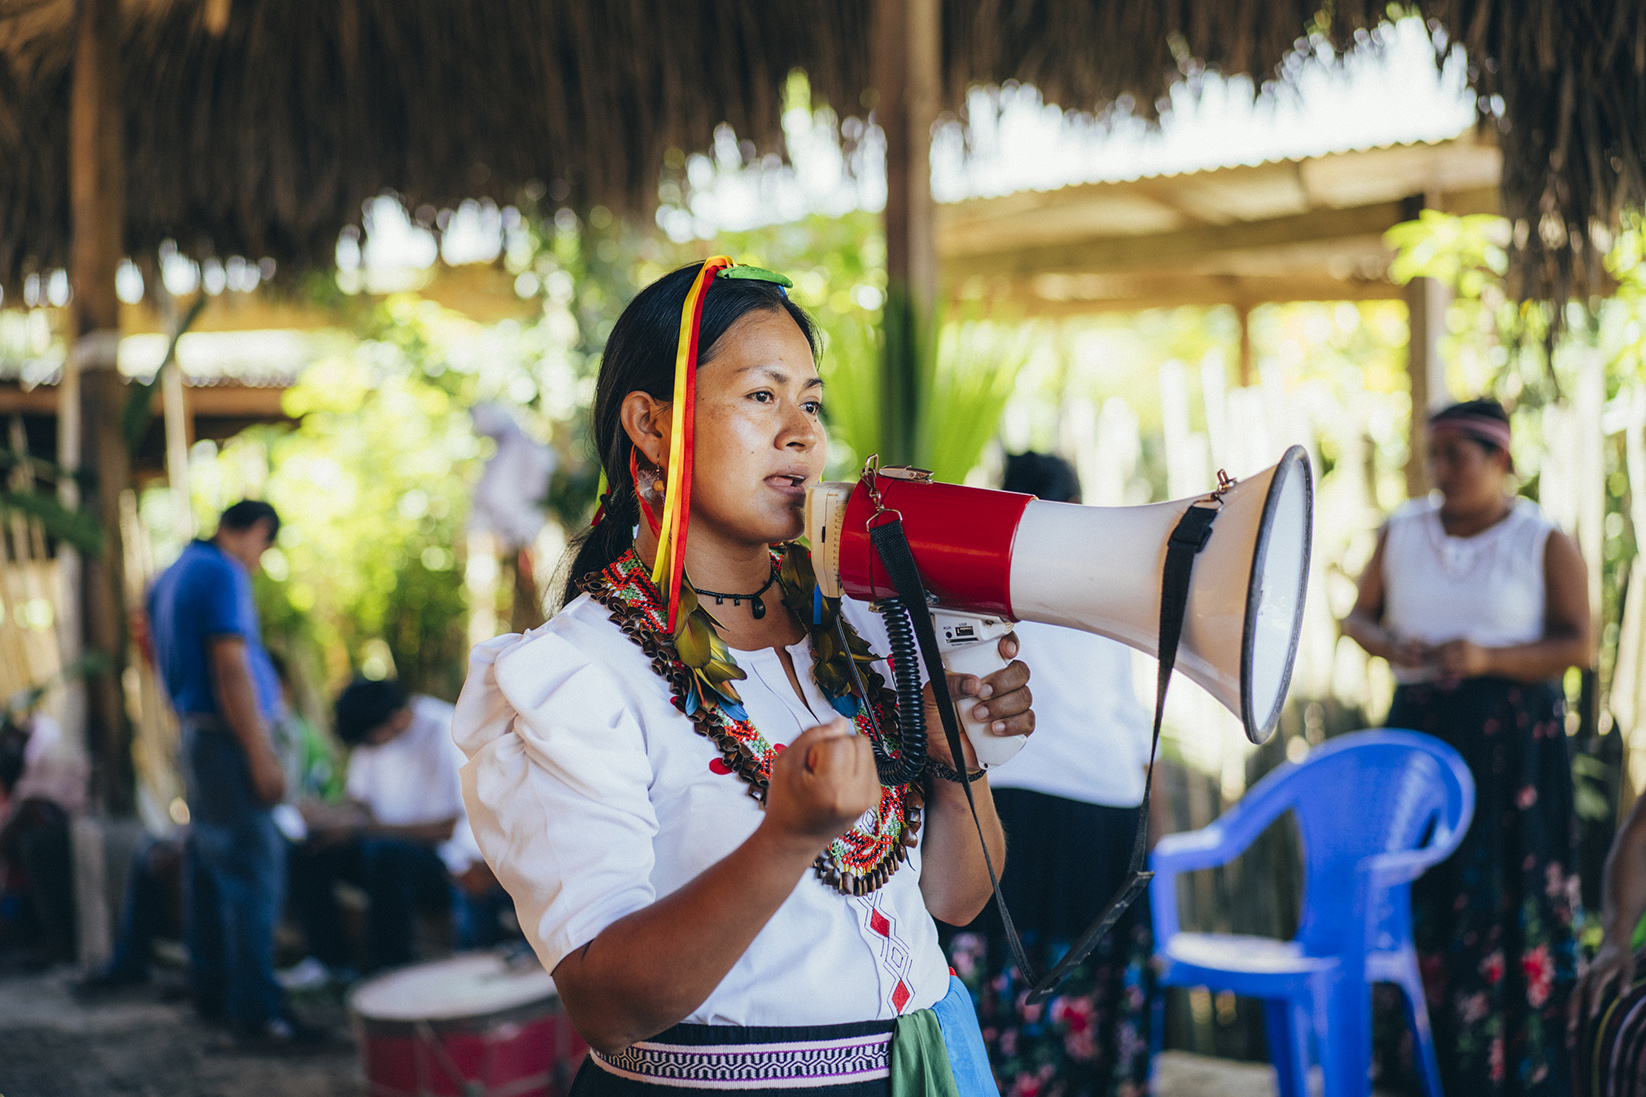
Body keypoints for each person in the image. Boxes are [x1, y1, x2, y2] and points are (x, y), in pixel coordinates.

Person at [453, 258, 1035, 1095]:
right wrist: (786, 838)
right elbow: (604, 1002)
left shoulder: (859, 628)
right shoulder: (574, 673)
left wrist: (955, 758)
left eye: (811, 401)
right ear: (652, 425)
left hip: (930, 1068)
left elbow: (954, 900)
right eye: (763, 396)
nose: (801, 432)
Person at [1343, 399, 1589, 1095]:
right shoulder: (1402, 530)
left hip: (1514, 758)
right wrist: (1391, 642)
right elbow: (1357, 617)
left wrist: (1486, 658)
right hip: (1418, 744)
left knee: (1506, 901)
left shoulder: (1541, 537)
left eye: (1458, 454)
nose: (1442, 469)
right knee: (1422, 892)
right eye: (1435, 454)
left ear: (1500, 458)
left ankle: (1512, 1072)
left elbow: (1579, 642)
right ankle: (1418, 1070)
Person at [944, 452, 1156, 1097]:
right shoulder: (1113, 597)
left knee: (1005, 979)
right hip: (1108, 811)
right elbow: (1135, 735)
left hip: (1010, 811)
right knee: (1087, 977)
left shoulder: (968, 592)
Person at [147, 499, 310, 1042]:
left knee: (209, 869)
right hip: (228, 740)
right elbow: (230, 664)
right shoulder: (221, 570)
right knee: (253, 873)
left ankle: (214, 991)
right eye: (264, 547)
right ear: (257, 530)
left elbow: (148, 645)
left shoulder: (170, 574)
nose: (259, 560)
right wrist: (259, 754)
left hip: (198, 733)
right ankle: (256, 1009)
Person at [289, 677, 489, 974]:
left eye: (371, 740)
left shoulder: (445, 729)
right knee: (311, 851)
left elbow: (448, 828)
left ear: (396, 720)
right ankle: (329, 962)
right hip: (380, 846)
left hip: (448, 862)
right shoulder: (372, 735)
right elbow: (360, 802)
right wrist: (326, 815)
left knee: (386, 857)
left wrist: (365, 830)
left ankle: (390, 968)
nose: (368, 749)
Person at [0, 707, 86, 966]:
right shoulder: (38, 742)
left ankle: (56, 941)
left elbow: (32, 799)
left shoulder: (44, 743)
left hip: (63, 824)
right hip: (51, 822)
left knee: (33, 845)